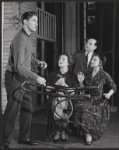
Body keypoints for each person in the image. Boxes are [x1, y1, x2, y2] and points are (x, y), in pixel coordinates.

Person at [3, 11, 47, 148]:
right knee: (12, 111)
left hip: (23, 78)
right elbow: (19, 66)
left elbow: (26, 56)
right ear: (25, 22)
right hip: (15, 77)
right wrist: (37, 77)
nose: (37, 23)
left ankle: (24, 137)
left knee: (28, 107)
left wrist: (37, 61)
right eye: (34, 20)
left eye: (37, 21)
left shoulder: (27, 37)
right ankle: (4, 142)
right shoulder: (20, 39)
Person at [72, 53, 117, 145]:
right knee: (77, 106)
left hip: (98, 101)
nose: (92, 61)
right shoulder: (87, 73)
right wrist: (80, 82)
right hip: (87, 98)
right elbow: (83, 88)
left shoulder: (104, 74)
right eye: (92, 59)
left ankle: (88, 134)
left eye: (95, 60)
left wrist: (109, 94)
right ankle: (85, 131)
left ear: (100, 62)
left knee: (84, 109)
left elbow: (114, 86)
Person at [46, 53, 79, 143]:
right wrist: (56, 84)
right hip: (54, 98)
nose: (60, 60)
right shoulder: (53, 74)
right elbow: (47, 89)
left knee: (64, 104)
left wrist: (64, 84)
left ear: (68, 62)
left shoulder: (73, 76)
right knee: (57, 103)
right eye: (59, 59)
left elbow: (73, 92)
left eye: (63, 59)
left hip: (68, 100)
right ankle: (57, 130)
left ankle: (63, 130)